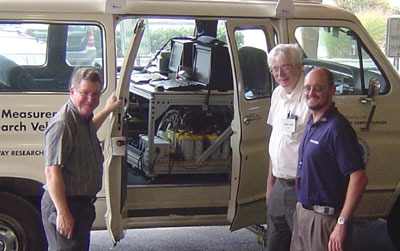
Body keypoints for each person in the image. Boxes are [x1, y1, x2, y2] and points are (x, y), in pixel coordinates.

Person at [41, 68, 122, 251]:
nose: (90, 99)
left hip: (80, 206)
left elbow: (89, 130)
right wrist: (63, 213)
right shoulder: (63, 124)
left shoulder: (82, 119)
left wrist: (108, 109)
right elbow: (52, 172)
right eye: (84, 93)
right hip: (66, 205)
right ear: (72, 91)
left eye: (95, 94)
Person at [291, 67, 368, 251]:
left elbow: (359, 178)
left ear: (332, 90)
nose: (311, 93)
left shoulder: (337, 128)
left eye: (318, 88)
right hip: (304, 214)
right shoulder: (313, 123)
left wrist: (341, 223)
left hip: (325, 221)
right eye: (307, 88)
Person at [266, 44, 311, 251]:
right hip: (279, 186)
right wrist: (270, 183)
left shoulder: (310, 98)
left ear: (299, 67)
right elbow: (275, 141)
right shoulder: (277, 94)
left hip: (300, 187)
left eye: (284, 67)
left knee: (302, 244)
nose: (279, 74)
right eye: (274, 69)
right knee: (275, 243)